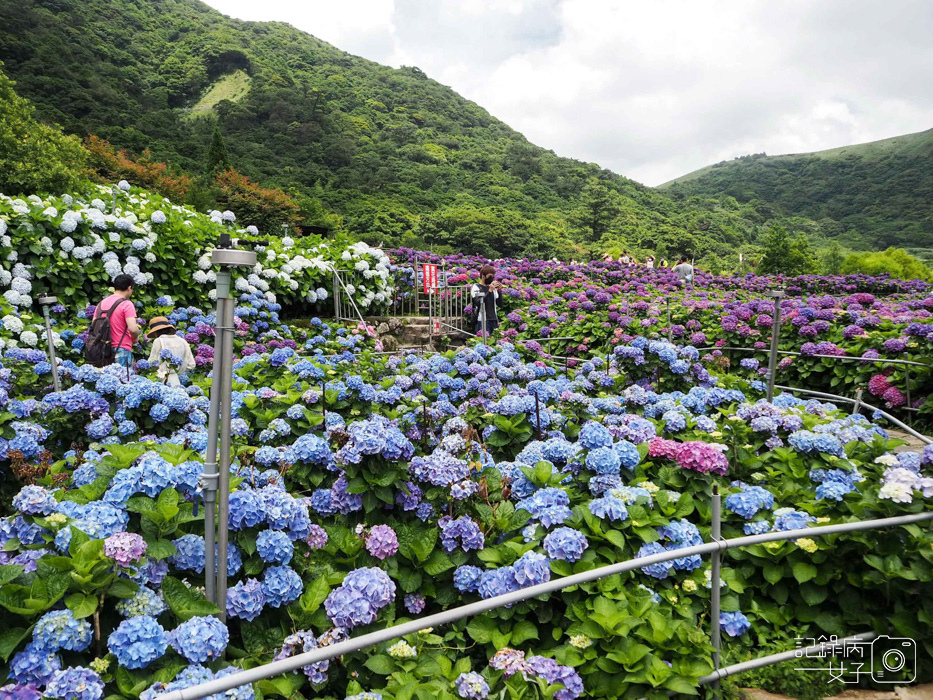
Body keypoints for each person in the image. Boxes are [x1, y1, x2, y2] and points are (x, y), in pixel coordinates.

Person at [93, 274, 140, 367]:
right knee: (123, 380)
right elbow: (133, 329)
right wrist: (135, 338)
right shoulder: (126, 304)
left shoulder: (101, 304)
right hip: (121, 348)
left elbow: (94, 325)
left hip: (102, 351)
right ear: (129, 288)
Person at [146, 316, 196, 387]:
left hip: (161, 381)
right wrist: (177, 371)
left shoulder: (159, 341)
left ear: (156, 332)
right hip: (177, 381)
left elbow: (151, 362)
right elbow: (191, 364)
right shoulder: (183, 341)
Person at [470, 264, 501, 338]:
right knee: (484, 342)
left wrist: (499, 291)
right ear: (483, 276)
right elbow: (478, 303)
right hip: (482, 320)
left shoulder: (492, 288)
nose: (492, 279)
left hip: (494, 320)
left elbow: (500, 304)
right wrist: (489, 291)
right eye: (490, 276)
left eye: (493, 277)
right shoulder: (476, 287)